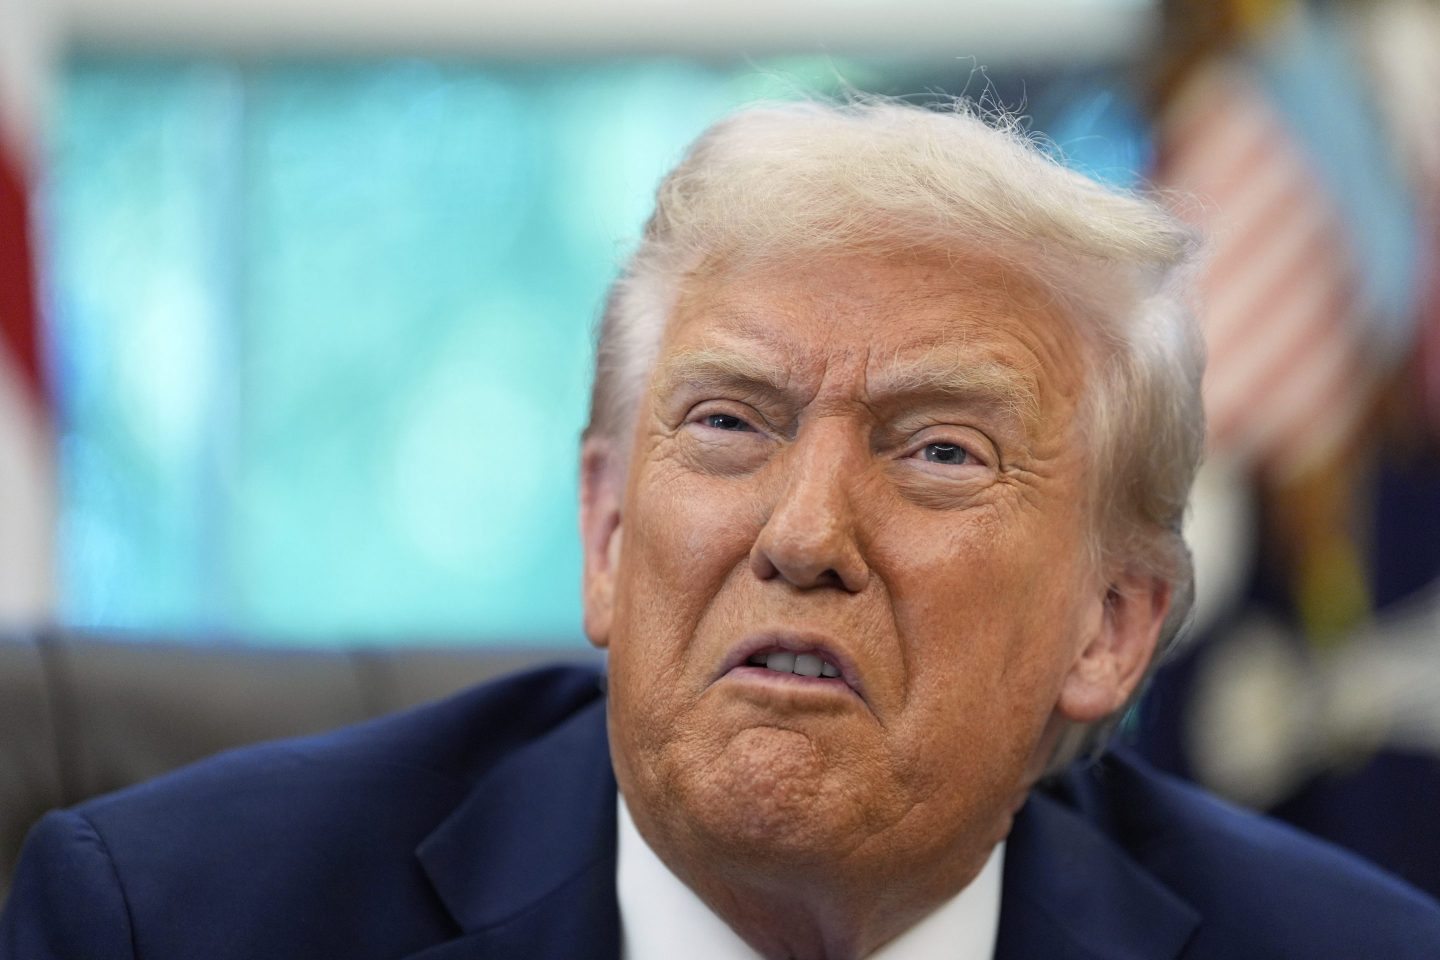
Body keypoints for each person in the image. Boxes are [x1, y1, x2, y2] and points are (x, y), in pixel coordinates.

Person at [3, 99, 1439, 960]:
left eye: (939, 450)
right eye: (730, 425)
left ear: (1110, 625)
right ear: (610, 531)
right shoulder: (173, 925)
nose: (804, 534)